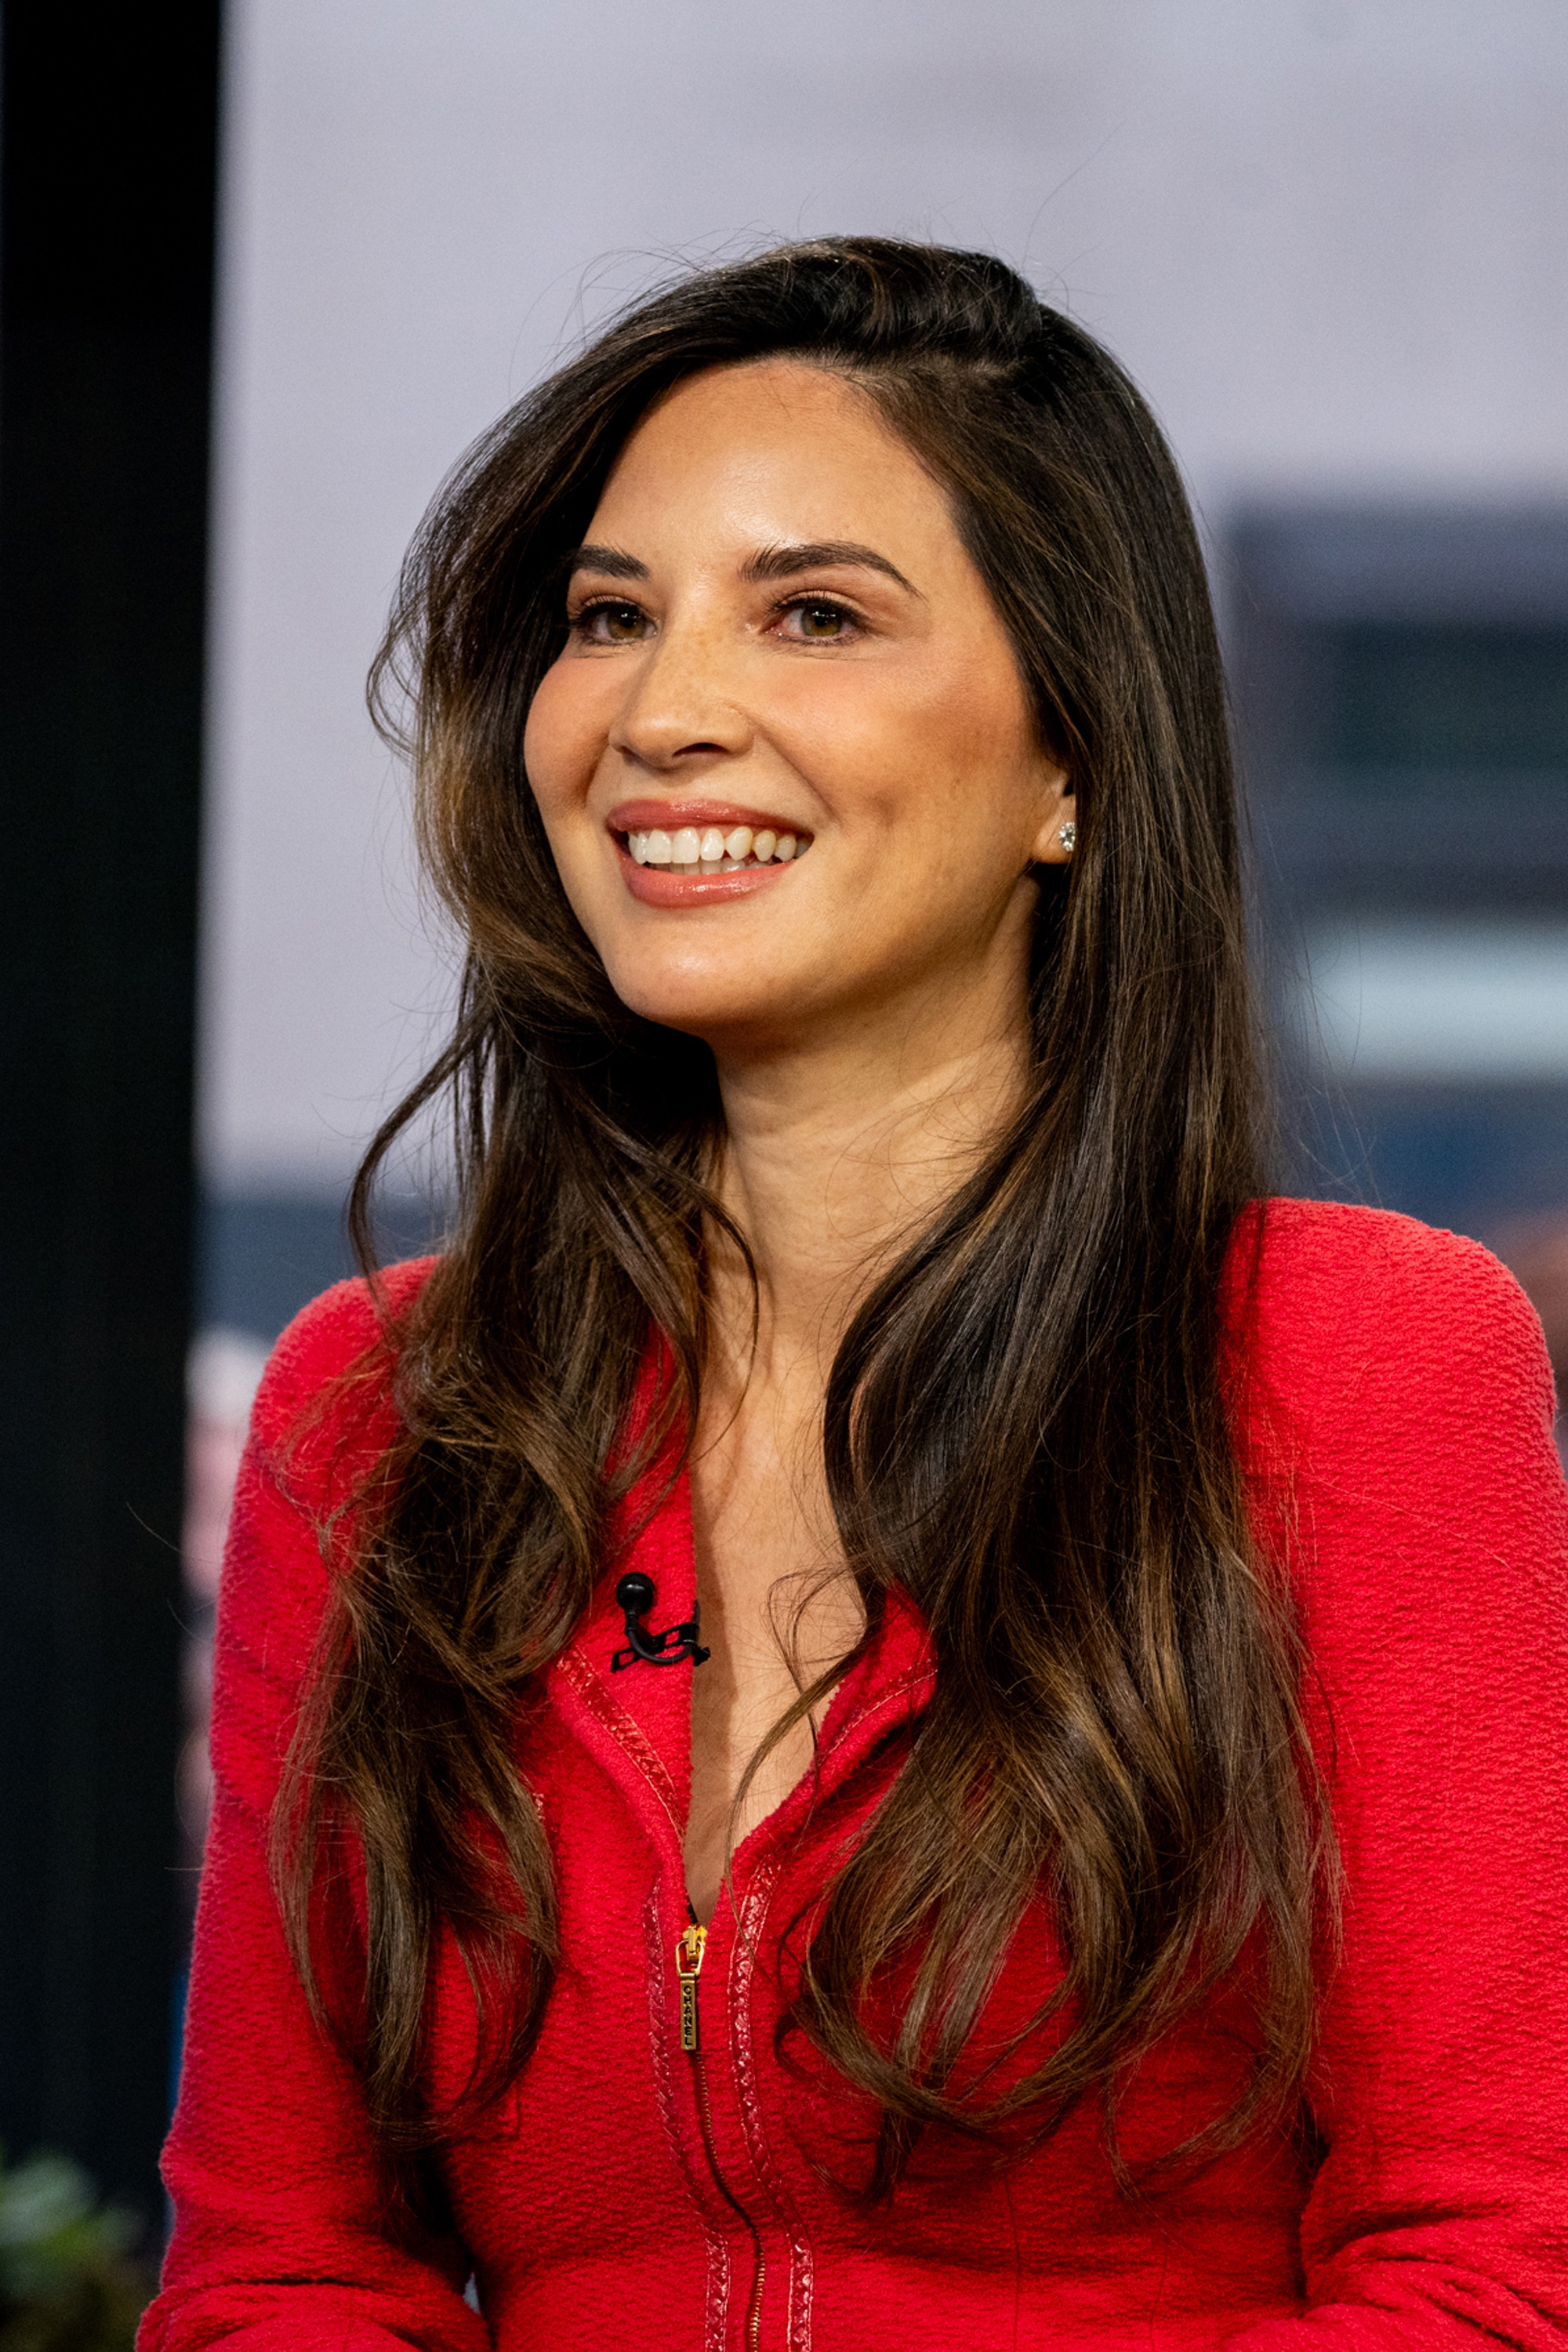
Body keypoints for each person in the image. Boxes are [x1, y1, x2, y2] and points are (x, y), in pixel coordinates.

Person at [141, 239, 1568, 2352]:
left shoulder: (1355, 1362)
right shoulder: (385, 1410)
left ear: (1075, 758)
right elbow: (282, 2269)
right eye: (610, 619)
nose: (661, 712)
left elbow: (1491, 2269)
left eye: (812, 613)